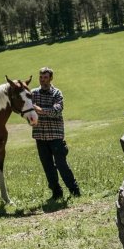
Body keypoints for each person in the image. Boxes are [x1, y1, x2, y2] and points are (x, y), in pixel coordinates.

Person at [31, 67, 81, 201]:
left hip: (55, 136)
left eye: (45, 77)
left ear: (51, 78)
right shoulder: (33, 93)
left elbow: (57, 110)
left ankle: (74, 190)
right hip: (40, 136)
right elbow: (28, 111)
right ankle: (56, 193)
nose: (42, 80)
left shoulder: (56, 93)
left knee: (61, 164)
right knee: (47, 166)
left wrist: (40, 110)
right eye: (41, 77)